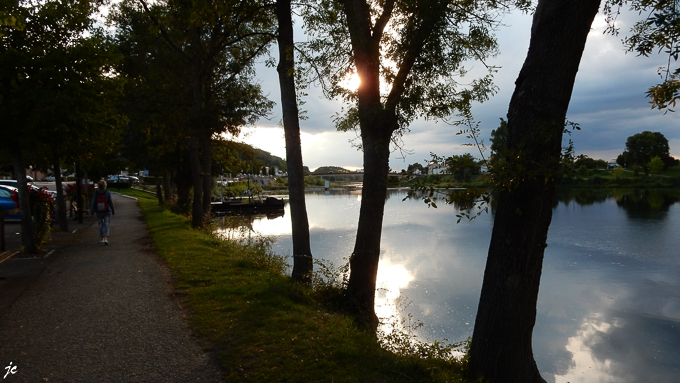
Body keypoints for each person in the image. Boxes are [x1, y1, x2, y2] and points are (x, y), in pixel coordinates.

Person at [89, 180, 115, 245]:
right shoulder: (107, 192)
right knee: (106, 224)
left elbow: (93, 203)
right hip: (107, 210)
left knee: (100, 224)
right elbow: (110, 202)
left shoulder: (96, 193)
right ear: (105, 186)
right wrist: (113, 210)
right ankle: (106, 237)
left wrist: (91, 211)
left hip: (99, 211)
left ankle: (102, 238)